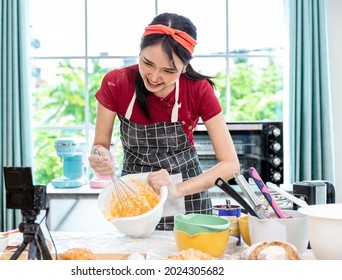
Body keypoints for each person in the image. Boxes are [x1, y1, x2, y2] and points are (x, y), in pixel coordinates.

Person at [88, 12, 240, 230]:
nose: (154, 77)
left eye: (169, 70)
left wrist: (177, 190)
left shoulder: (198, 90)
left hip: (189, 199)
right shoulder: (116, 83)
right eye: (147, 63)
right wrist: (99, 156)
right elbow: (100, 145)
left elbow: (230, 165)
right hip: (134, 201)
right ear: (139, 50)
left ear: (185, 66)